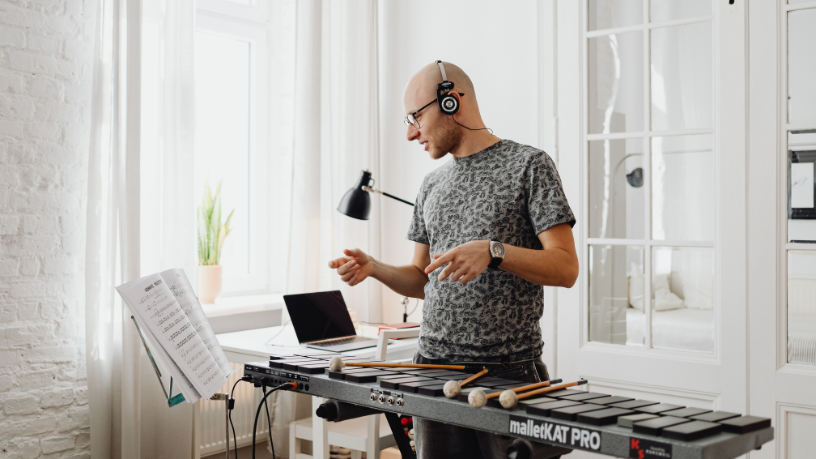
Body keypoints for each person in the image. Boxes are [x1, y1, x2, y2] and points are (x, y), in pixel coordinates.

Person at [328, 61, 578, 459]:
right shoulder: (431, 185)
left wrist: (494, 252)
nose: (411, 133)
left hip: (509, 371)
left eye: (416, 117)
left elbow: (566, 268)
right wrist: (374, 268)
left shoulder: (531, 165)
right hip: (433, 369)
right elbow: (422, 277)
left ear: (451, 100)